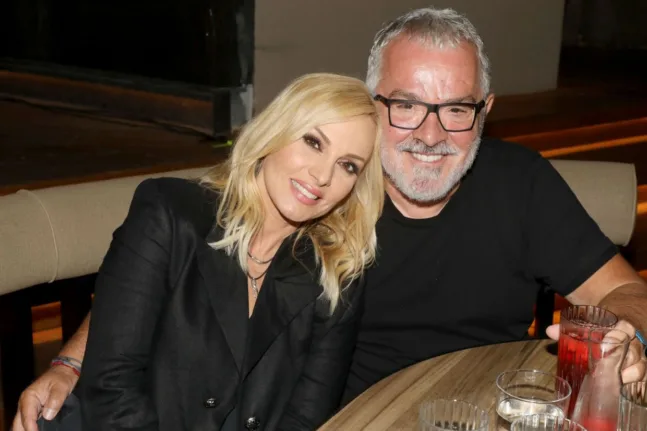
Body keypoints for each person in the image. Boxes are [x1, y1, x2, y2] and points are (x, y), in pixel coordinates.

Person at [13, 7, 647, 429]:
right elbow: (168, 266)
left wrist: (632, 337)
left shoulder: (522, 182)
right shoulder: (320, 206)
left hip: (480, 410)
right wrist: (71, 365)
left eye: (457, 109)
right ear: (372, 105)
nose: (431, 134)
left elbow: (625, 291)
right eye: (406, 105)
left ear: (485, 110)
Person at [16, 72, 385, 431]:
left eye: (348, 165)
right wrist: (67, 364)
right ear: (276, 131)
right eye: (314, 142)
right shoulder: (168, 213)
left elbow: (307, 417)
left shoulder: (339, 273)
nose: (323, 176)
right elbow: (113, 385)